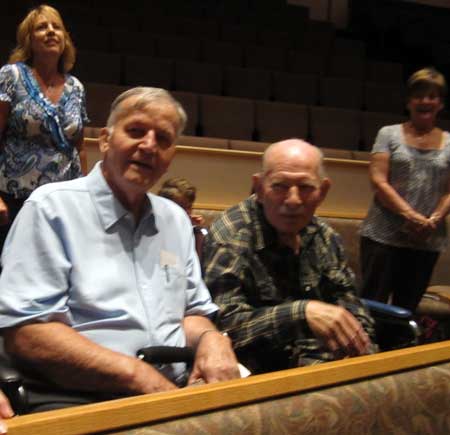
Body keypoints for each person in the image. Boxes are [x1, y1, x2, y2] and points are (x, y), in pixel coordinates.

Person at [0, 87, 239, 411]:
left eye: (163, 139)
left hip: (176, 389)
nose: (149, 145)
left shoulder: (175, 221)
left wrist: (211, 340)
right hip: (82, 399)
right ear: (105, 140)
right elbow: (28, 332)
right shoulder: (51, 208)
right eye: (136, 131)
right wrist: (138, 375)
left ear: (170, 158)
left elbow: (190, 314)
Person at [202, 139, 376, 374]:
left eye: (305, 187)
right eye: (280, 186)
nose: (293, 200)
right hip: (261, 371)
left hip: (326, 362)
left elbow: (350, 302)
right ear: (260, 188)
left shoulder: (326, 236)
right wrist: (300, 314)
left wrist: (357, 339)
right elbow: (222, 328)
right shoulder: (232, 236)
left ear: (322, 191)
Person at [0, 4, 88, 257]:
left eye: (56, 27)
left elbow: (79, 148)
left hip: (61, 203)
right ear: (29, 39)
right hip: (14, 200)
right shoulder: (11, 76)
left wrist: (84, 196)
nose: (50, 32)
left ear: (65, 39)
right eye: (42, 27)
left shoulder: (76, 87)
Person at [360, 68, 450, 312]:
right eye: (419, 95)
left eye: (432, 96)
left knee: (407, 308)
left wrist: (432, 220)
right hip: (383, 235)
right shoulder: (388, 134)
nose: (425, 101)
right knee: (372, 305)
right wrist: (411, 216)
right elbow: (378, 181)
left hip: (427, 238)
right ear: (409, 101)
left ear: (440, 103)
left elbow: (448, 192)